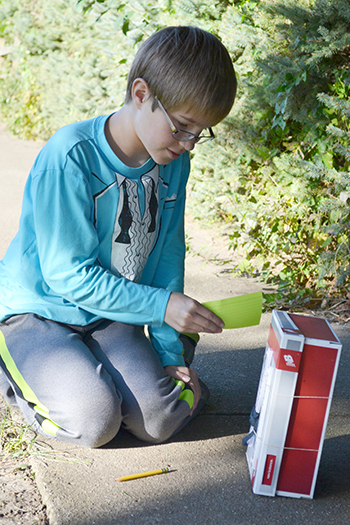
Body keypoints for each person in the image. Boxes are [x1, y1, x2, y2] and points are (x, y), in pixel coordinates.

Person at [0, 26, 236, 447]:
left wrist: (169, 354)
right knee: (95, 422)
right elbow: (67, 276)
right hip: (37, 311)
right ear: (141, 93)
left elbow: (166, 256)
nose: (188, 144)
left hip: (111, 313)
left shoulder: (172, 163)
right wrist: (161, 307)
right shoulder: (70, 157)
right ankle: (16, 368)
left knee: (160, 420)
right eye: (182, 127)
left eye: (200, 133)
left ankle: (100, 372)